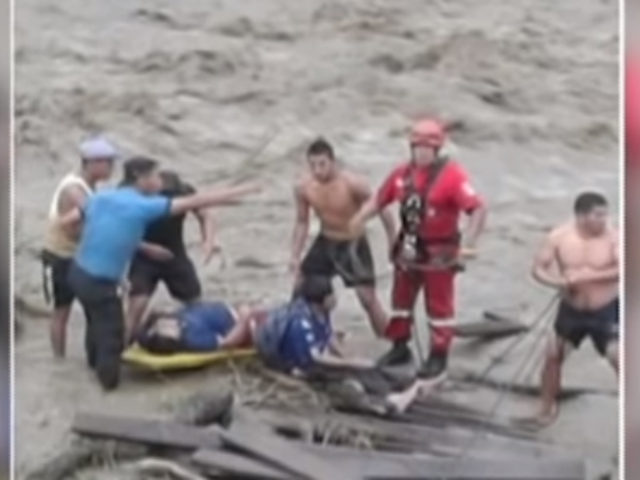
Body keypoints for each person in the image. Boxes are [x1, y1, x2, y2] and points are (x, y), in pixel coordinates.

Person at [60, 156, 260, 390]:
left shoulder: (105, 197)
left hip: (88, 271)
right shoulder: (144, 205)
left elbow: (68, 221)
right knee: (117, 324)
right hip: (119, 273)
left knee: (98, 321)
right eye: (154, 176)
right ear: (141, 180)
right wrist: (241, 191)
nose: (159, 181)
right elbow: (198, 201)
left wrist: (105, 241)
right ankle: (110, 380)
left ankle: (95, 366)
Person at [350, 118, 487, 378]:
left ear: (437, 149)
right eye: (418, 147)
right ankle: (399, 346)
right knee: (400, 301)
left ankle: (438, 356)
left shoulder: (452, 176)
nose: (422, 153)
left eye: (427, 148)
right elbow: (379, 200)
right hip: (410, 246)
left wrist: (468, 244)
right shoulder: (401, 175)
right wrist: (357, 220)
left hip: (440, 251)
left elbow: (477, 209)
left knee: (439, 306)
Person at [526, 192, 618, 426]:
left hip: (605, 310)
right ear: (582, 216)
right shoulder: (559, 236)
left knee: (620, 360)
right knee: (552, 357)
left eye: (605, 214)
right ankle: (546, 408)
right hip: (571, 309)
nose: (605, 220)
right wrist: (557, 282)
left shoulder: (614, 237)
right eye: (599, 215)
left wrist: (590, 276)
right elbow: (538, 268)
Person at [289, 138, 395, 337]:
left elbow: (382, 207)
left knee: (367, 298)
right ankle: (297, 329)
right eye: (313, 165)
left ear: (333, 162)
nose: (317, 170)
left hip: (353, 244)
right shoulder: (304, 187)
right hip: (326, 240)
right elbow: (302, 222)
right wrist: (295, 256)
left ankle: (389, 339)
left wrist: (392, 241)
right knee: (303, 283)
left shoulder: (352, 183)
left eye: (322, 164)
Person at [41, 137, 118, 358]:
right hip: (61, 257)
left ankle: (92, 357)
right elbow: (76, 229)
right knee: (61, 312)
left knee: (92, 309)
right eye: (108, 163)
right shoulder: (74, 191)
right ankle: (59, 360)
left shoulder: (89, 187)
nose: (112, 168)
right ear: (91, 163)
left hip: (82, 256)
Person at [125, 170, 218, 343]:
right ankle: (124, 343)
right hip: (144, 257)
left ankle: (199, 335)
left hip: (174, 255)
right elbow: (118, 226)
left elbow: (206, 215)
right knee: (137, 304)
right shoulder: (137, 194)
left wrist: (208, 241)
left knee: (194, 303)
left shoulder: (183, 191)